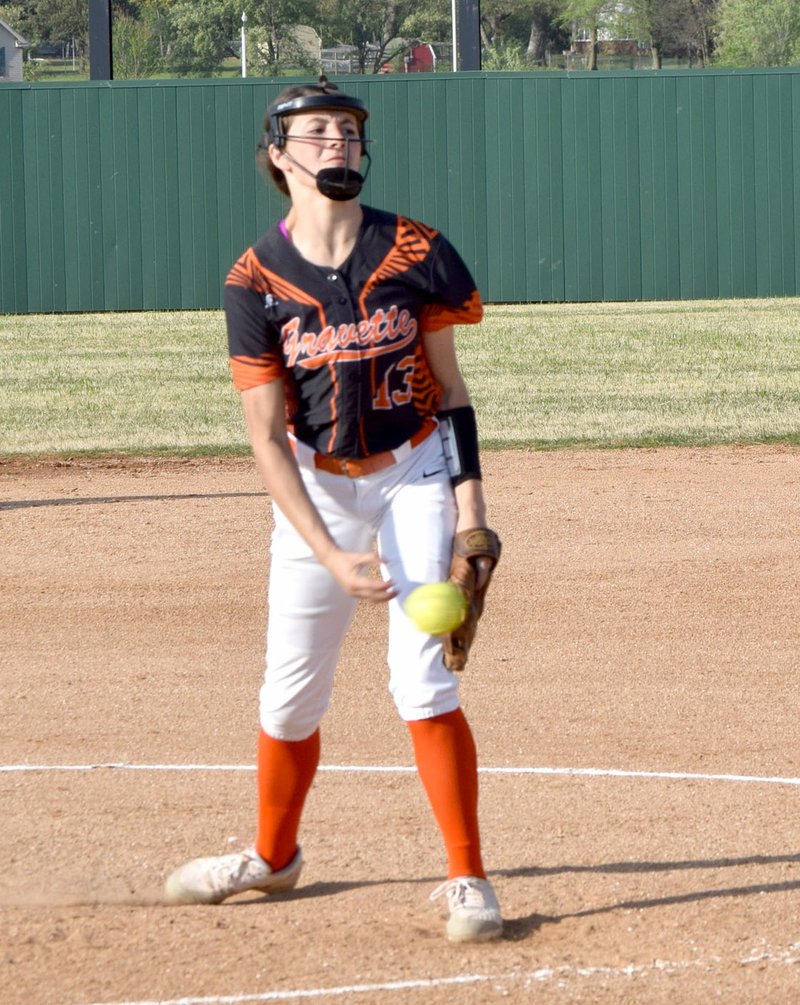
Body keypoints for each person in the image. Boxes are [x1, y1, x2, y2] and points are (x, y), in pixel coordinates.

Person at [164, 77, 503, 943]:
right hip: (317, 490)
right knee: (288, 698)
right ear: (278, 156)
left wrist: (472, 517)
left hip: (416, 470)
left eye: (349, 131)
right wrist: (332, 553)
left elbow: (453, 391)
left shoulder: (416, 249)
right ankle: (273, 857)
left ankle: (467, 876)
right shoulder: (253, 281)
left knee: (421, 679)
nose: (338, 144)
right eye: (316, 133)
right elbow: (269, 439)